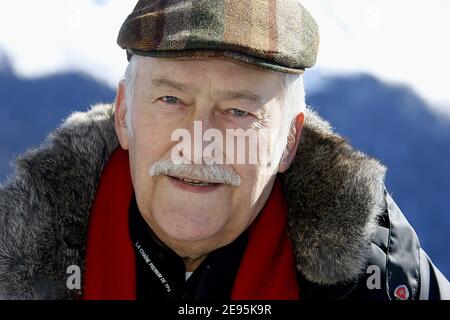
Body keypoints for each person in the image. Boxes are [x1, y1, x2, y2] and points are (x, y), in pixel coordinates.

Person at [0, 0, 449, 300]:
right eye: (171, 100)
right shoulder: (19, 264)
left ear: (289, 142)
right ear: (123, 116)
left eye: (237, 110)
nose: (198, 142)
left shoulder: (385, 280)